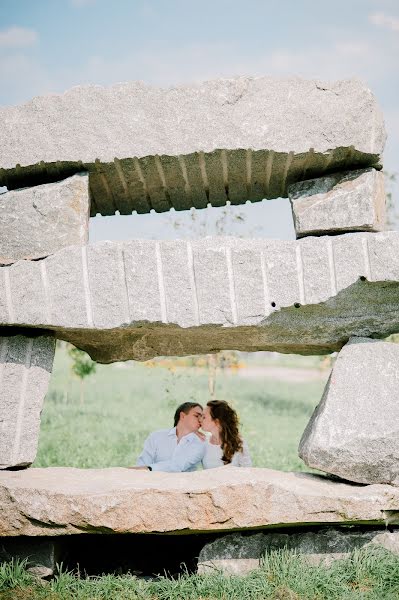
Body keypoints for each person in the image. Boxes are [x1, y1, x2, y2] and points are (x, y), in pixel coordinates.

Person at [134, 402, 205, 472]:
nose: (200, 420)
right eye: (196, 416)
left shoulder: (199, 444)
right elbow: (141, 465)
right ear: (182, 416)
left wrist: (148, 469)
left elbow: (177, 465)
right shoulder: (156, 437)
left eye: (202, 417)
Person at [201, 400, 252, 468]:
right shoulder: (203, 441)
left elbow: (248, 471)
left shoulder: (238, 443)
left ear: (217, 422)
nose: (200, 419)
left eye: (204, 417)